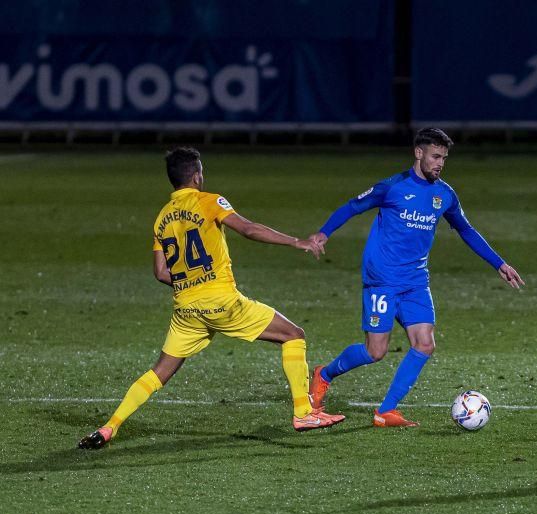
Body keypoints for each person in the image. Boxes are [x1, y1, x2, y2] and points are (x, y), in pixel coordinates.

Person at [78, 147, 343, 449]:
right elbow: (248, 229)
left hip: (186, 309)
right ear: (196, 176)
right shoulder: (210, 201)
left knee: (159, 372)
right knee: (294, 335)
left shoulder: (162, 218)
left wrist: (192, 283)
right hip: (222, 302)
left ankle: (109, 427)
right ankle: (303, 412)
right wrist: (297, 241)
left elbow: (161, 272)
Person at [306, 128, 524, 427]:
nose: (440, 164)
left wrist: (498, 263)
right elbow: (353, 206)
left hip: (415, 281)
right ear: (418, 153)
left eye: (444, 159)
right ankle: (323, 375)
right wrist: (323, 233)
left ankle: (386, 411)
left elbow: (465, 229)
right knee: (375, 351)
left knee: (424, 344)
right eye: (435, 156)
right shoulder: (392, 187)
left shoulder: (444, 195)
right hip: (382, 279)